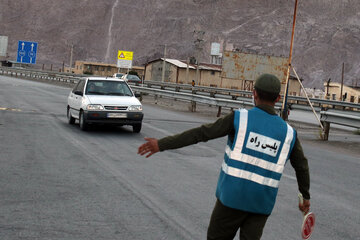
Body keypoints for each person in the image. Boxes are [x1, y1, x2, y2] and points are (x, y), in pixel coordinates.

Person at [138, 73, 310, 240]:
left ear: (254, 93)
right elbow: (301, 166)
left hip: (231, 200)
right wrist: (305, 197)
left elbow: (201, 133)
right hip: (261, 205)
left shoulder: (239, 118)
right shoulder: (289, 133)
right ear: (278, 99)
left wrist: (161, 144)